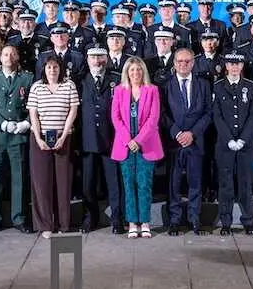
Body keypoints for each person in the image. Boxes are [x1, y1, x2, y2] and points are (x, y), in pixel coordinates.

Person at [27, 54, 80, 238]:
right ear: (43, 69)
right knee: (42, 183)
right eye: (48, 67)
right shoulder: (36, 87)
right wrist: (38, 137)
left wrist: (64, 136)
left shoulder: (69, 85)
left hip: (62, 137)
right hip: (40, 138)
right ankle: (45, 225)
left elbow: (73, 111)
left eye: (55, 67)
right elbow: (33, 114)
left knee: (63, 182)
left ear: (60, 69)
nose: (52, 70)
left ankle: (63, 223)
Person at [0, 45, 35, 234]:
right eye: (5, 54)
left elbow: (33, 105)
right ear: (0, 58)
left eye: (13, 53)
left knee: (19, 179)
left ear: (18, 56)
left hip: (18, 136)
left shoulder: (27, 78)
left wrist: (26, 123)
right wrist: (2, 124)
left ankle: (19, 218)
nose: (9, 57)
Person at [111, 57, 163, 238]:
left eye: (138, 70)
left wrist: (138, 140)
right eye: (132, 70)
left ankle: (145, 222)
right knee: (129, 184)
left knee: (144, 185)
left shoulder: (152, 90)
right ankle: (132, 222)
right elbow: (115, 118)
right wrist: (128, 140)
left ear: (144, 72)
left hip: (146, 145)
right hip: (125, 147)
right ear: (127, 72)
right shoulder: (119, 91)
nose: (135, 73)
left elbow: (153, 119)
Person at [162, 48, 212, 236]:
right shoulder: (165, 85)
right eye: (180, 61)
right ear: (174, 63)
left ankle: (194, 219)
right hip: (174, 143)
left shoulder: (204, 84)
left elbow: (209, 112)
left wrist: (192, 133)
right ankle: (174, 220)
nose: (183, 65)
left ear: (193, 63)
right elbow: (163, 113)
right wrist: (177, 133)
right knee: (173, 183)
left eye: (187, 61)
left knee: (195, 182)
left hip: (195, 141)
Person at [212, 51, 253, 235]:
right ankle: (226, 222)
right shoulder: (217, 86)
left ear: (242, 66)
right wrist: (229, 139)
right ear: (226, 66)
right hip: (225, 145)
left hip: (246, 145)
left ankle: (248, 221)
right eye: (230, 64)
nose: (234, 67)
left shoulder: (250, 86)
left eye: (237, 64)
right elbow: (217, 115)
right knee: (226, 184)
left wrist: (242, 139)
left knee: (246, 183)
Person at [78, 44, 123, 233]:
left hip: (111, 139)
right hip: (87, 141)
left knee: (114, 183)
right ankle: (91, 218)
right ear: (87, 60)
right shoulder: (79, 80)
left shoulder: (117, 80)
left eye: (100, 57)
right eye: (93, 57)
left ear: (107, 59)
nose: (97, 61)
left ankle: (117, 219)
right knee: (88, 184)